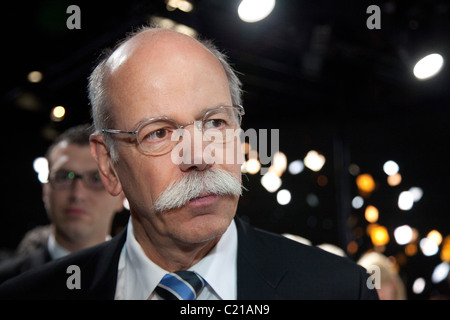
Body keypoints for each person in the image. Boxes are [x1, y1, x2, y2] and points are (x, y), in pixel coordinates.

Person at [0, 27, 378, 299]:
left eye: (215, 123)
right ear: (109, 164)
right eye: (159, 133)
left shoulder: (339, 289)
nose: (199, 156)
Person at [0, 124, 124, 284]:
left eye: (96, 179)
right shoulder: (6, 283)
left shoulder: (148, 287)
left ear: (121, 196)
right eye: (63, 177)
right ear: (45, 191)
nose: (77, 194)